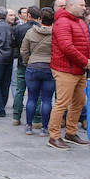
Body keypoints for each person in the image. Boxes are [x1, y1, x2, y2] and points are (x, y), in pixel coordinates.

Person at [47, 0, 90, 150]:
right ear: (70, 6)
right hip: (65, 69)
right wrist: (85, 61)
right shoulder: (62, 22)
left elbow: (87, 44)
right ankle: (54, 136)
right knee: (62, 103)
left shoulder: (80, 22)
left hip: (79, 69)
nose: (84, 8)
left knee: (79, 101)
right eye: (81, 5)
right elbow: (66, 47)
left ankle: (71, 132)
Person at [21, 8, 55, 137]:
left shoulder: (31, 32)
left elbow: (24, 50)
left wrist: (26, 62)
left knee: (31, 98)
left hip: (33, 66)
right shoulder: (56, 33)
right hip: (49, 67)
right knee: (47, 100)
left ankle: (29, 126)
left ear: (40, 19)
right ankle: (44, 128)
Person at [12, 6, 40, 126]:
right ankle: (36, 119)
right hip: (37, 63)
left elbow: (14, 44)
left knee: (20, 90)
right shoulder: (41, 29)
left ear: (28, 15)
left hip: (22, 62)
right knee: (36, 92)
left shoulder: (19, 29)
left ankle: (16, 117)